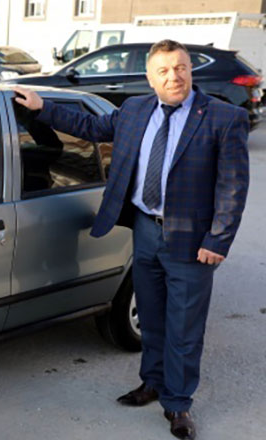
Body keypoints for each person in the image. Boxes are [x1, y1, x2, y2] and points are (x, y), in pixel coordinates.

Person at [13, 39, 249, 440]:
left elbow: (232, 187)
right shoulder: (136, 109)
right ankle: (152, 383)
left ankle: (178, 404)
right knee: (152, 318)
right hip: (145, 229)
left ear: (191, 70)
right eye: (164, 71)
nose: (173, 77)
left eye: (180, 68)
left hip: (193, 241)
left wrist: (218, 240)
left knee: (184, 327)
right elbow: (90, 127)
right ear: (150, 78)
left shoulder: (222, 118)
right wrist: (42, 108)